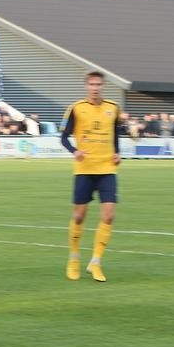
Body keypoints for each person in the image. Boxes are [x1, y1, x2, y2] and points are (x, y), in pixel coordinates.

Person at [60, 71, 124, 282]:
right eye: (92, 84)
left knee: (109, 215)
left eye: (99, 84)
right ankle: (74, 257)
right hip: (84, 169)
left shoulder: (113, 108)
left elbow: (114, 134)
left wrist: (117, 152)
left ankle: (95, 262)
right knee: (79, 216)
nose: (95, 87)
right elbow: (63, 137)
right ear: (86, 86)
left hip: (107, 169)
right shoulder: (76, 108)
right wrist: (74, 151)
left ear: (103, 85)